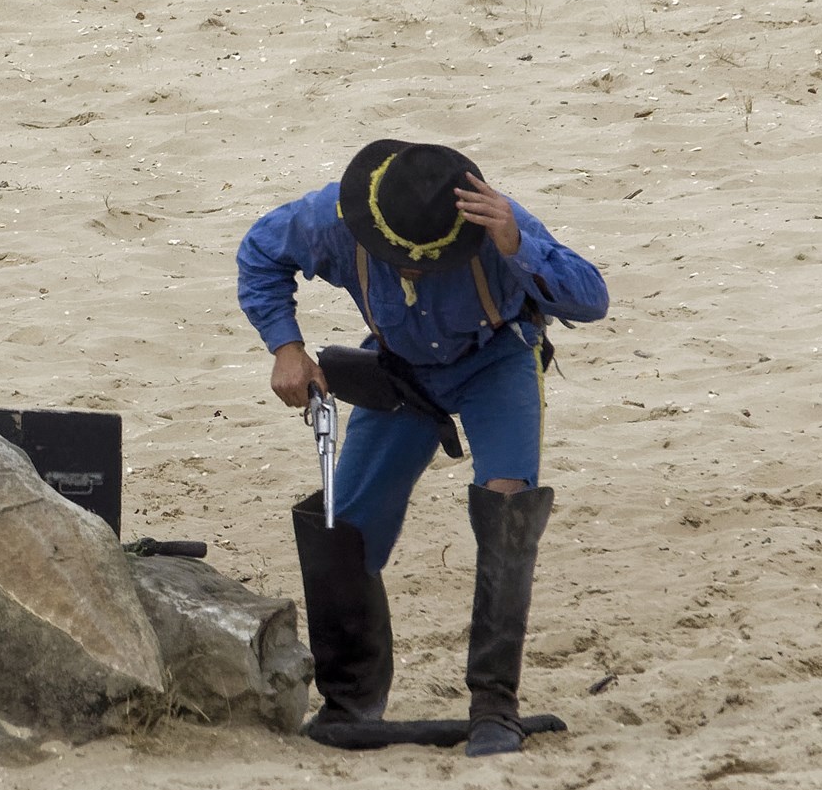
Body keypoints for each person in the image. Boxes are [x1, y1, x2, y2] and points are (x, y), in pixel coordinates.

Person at [235, 139, 609, 756]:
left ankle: (494, 705)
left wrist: (517, 244)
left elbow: (590, 298)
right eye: (396, 260)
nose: (408, 269)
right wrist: (286, 345)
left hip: (498, 360)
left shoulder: (498, 220)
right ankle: (349, 703)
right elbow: (259, 253)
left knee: (508, 505)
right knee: (343, 521)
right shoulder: (329, 218)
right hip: (401, 370)